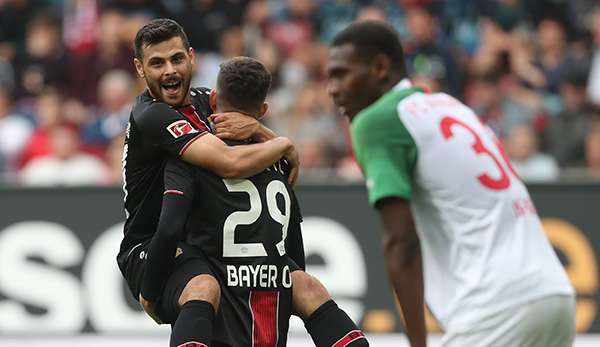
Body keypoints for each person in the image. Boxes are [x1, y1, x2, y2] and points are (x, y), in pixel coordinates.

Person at [326, 21, 575, 347]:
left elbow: (400, 243)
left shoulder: (377, 121)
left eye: (341, 73)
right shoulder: (450, 105)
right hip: (556, 296)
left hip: (496, 308)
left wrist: (418, 343)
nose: (332, 88)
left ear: (380, 67)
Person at [142, 56, 368, 347]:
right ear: (263, 110)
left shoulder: (191, 155)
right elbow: (292, 241)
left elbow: (169, 226)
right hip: (268, 313)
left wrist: (151, 290)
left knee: (200, 288)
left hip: (220, 310)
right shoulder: (279, 159)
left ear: (212, 100)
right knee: (306, 285)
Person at [116, 18, 298, 346]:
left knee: (303, 286)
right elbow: (229, 163)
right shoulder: (151, 116)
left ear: (191, 56)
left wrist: (263, 132)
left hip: (199, 243)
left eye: (176, 59)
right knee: (203, 287)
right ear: (140, 69)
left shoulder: (205, 102)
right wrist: (284, 145)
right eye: (156, 63)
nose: (169, 71)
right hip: (150, 246)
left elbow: (249, 130)